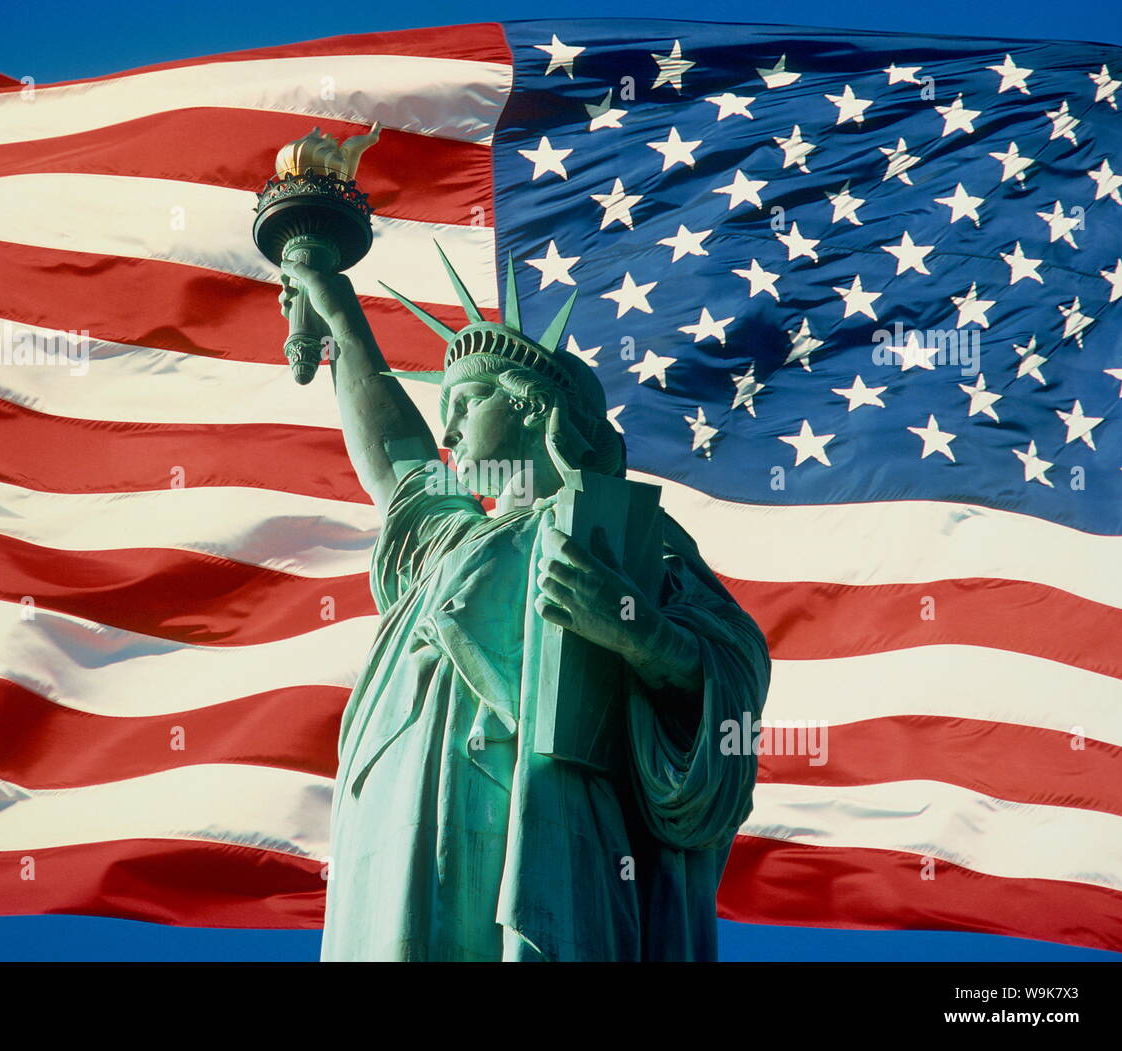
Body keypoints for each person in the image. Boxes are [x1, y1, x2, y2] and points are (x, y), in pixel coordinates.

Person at [278, 246, 771, 961]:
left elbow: (731, 669)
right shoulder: (449, 541)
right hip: (407, 838)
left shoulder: (620, 537)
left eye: (464, 404)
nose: (446, 435)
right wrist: (333, 304)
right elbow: (397, 456)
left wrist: (636, 630)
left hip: (555, 830)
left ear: (530, 404)